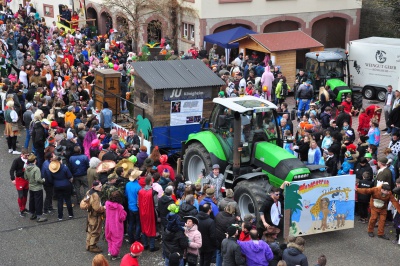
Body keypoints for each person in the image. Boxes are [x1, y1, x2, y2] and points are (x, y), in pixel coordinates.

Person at [24, 154, 48, 223]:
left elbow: (25, 177)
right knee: (38, 202)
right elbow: (38, 179)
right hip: (37, 188)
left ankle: (32, 214)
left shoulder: (26, 167)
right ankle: (39, 216)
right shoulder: (36, 169)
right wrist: (43, 180)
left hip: (31, 187)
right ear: (34, 161)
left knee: (32, 201)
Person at [138, 175, 159, 252]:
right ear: (151, 182)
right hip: (151, 213)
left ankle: (145, 245)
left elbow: (138, 203)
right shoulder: (153, 193)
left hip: (142, 213)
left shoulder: (140, 191)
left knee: (144, 228)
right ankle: (152, 246)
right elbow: (156, 205)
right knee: (152, 228)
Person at [105, 190, 127, 261]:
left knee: (110, 238)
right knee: (117, 241)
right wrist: (123, 211)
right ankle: (114, 254)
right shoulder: (119, 207)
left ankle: (110, 251)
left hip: (108, 224)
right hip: (117, 227)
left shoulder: (107, 203)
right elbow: (122, 217)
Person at [85, 181, 105, 253]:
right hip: (96, 216)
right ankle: (92, 246)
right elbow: (97, 208)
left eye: (101, 186)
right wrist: (104, 208)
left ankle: (88, 245)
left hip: (90, 214)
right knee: (96, 231)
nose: (101, 187)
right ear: (95, 187)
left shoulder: (89, 191)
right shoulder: (95, 195)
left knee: (90, 230)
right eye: (100, 186)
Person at [10, 149, 30, 216]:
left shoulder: (28, 160)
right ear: (22, 155)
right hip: (19, 179)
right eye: (26, 156)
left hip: (26, 180)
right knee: (21, 196)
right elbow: (12, 170)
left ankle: (24, 208)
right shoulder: (17, 160)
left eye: (28, 155)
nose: (27, 157)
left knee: (25, 195)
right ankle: (21, 209)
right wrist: (13, 179)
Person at [125, 168, 143, 244]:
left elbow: (126, 195)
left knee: (131, 223)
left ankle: (131, 238)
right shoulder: (139, 186)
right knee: (138, 224)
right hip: (137, 208)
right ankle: (137, 238)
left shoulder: (127, 184)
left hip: (130, 207)